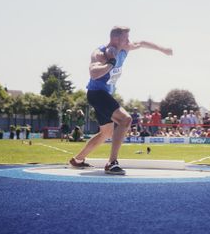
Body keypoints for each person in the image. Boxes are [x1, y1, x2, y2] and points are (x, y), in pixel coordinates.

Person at [69, 26, 173, 175]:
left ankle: (78, 160)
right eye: (126, 38)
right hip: (97, 93)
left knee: (105, 133)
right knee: (125, 119)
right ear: (116, 39)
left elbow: (142, 43)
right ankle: (112, 163)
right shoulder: (100, 53)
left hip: (105, 95)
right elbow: (93, 73)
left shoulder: (125, 48)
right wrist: (110, 63)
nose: (129, 41)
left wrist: (163, 49)